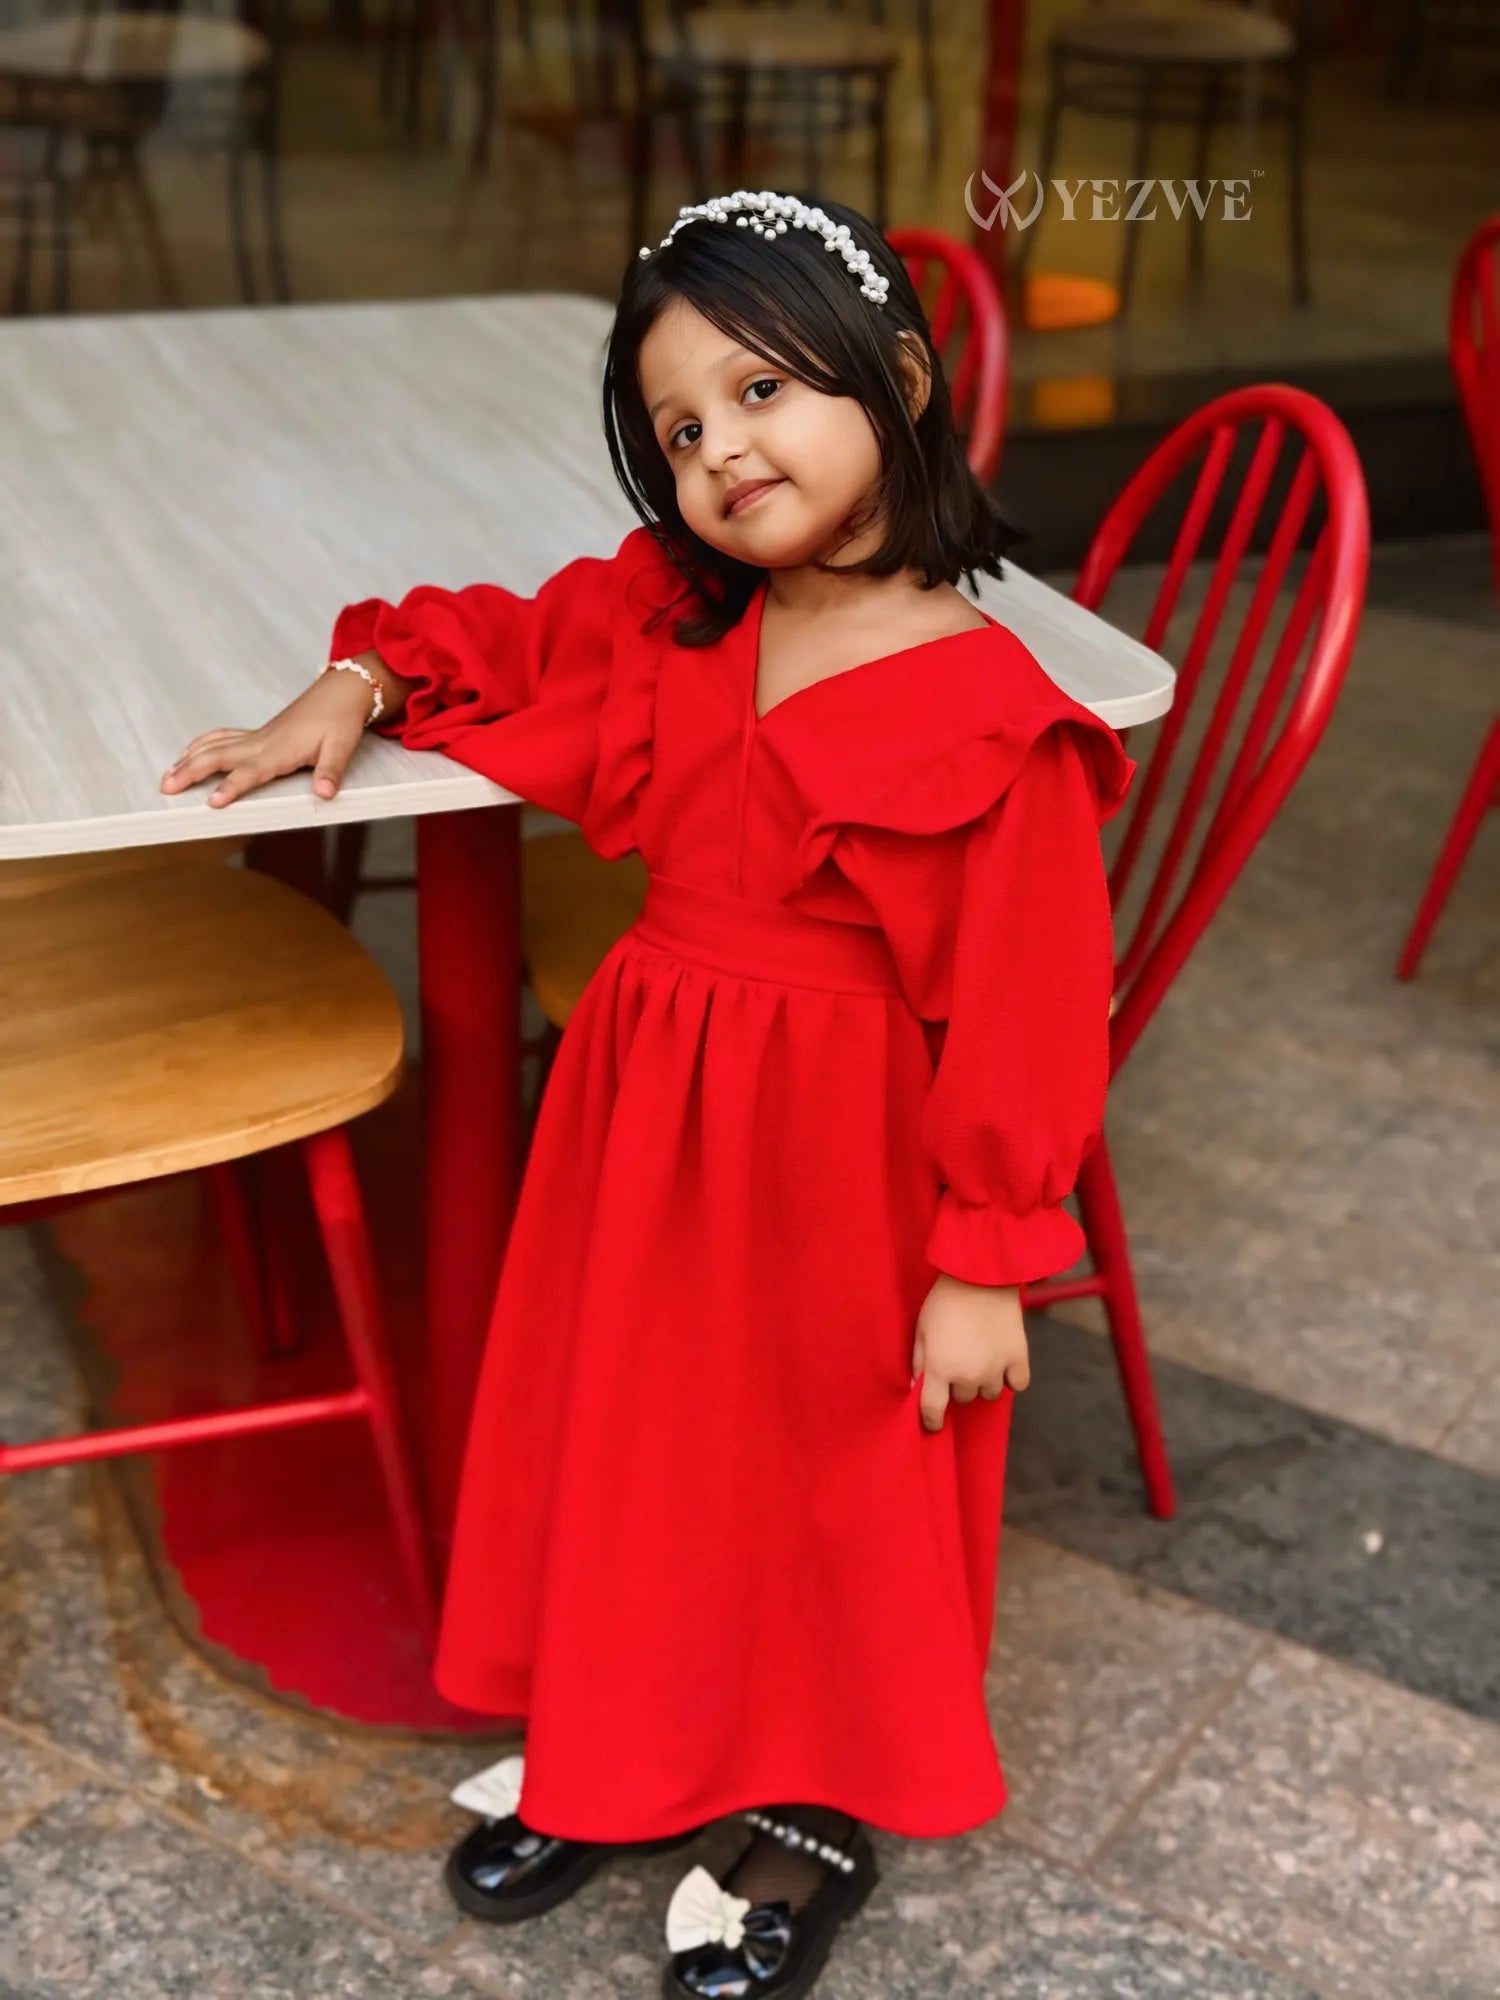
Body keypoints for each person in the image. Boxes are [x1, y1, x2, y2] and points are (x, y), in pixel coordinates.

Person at [162, 188, 1133, 2000]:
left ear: (902, 377)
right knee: (642, 1443)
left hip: (849, 1163)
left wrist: (986, 1255)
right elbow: (494, 639)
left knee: (828, 1483)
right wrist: (358, 676)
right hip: (651, 1114)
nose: (723, 451)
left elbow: (1031, 1018)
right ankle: (624, 1743)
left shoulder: (999, 721)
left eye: (764, 392)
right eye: (681, 429)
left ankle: (810, 1810)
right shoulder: (677, 623)